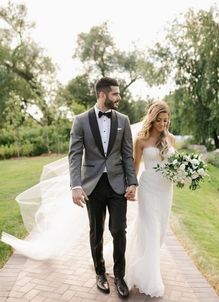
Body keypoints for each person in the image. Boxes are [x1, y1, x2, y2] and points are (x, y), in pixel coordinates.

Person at [68, 76, 138, 298]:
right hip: (93, 185)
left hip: (118, 185)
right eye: (115, 93)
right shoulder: (80, 121)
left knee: (118, 230)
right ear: (102, 94)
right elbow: (75, 155)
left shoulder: (124, 120)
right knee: (96, 231)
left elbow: (128, 154)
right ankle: (100, 273)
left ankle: (119, 276)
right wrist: (75, 185)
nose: (119, 97)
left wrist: (133, 182)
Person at [125, 100, 175, 298]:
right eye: (159, 120)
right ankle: (151, 279)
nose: (163, 124)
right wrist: (132, 187)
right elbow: (135, 168)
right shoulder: (141, 140)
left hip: (165, 190)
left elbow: (173, 165)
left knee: (160, 231)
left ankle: (143, 262)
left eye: (166, 120)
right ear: (152, 120)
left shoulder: (170, 139)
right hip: (148, 189)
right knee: (151, 230)